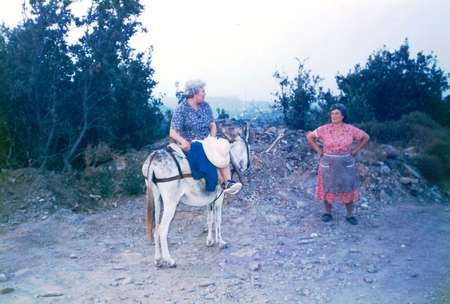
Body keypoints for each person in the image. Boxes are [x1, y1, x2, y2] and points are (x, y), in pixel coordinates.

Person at [169, 79, 242, 195]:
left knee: (223, 146)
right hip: (191, 142)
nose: (204, 93)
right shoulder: (181, 109)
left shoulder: (205, 106)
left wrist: (212, 140)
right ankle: (219, 182)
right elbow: (172, 132)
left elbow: (212, 125)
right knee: (203, 150)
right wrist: (184, 142)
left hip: (206, 140)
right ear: (194, 93)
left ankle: (227, 181)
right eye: (202, 91)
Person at [306, 103, 369, 225]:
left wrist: (355, 150)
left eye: (337, 113)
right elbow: (310, 137)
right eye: (332, 113)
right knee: (327, 187)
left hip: (346, 163)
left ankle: (350, 215)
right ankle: (327, 213)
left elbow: (366, 137)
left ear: (343, 116)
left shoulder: (350, 129)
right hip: (328, 162)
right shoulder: (324, 129)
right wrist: (319, 151)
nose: (334, 116)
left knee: (348, 187)